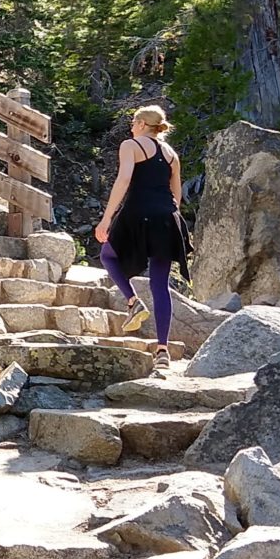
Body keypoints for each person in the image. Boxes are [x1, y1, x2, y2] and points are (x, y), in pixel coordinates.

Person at [93, 104, 189, 370]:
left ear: (143, 125)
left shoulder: (131, 146)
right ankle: (162, 351)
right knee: (161, 284)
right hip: (168, 217)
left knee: (107, 254)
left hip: (137, 212)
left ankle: (133, 301)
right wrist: (169, 221)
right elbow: (176, 194)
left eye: (134, 122)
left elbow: (123, 181)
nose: (131, 126)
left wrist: (107, 218)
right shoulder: (171, 154)